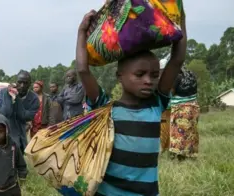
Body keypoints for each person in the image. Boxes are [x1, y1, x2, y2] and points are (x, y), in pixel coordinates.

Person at [76, 7, 186, 196]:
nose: (148, 80)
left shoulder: (156, 103)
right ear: (120, 76)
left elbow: (176, 60)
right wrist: (81, 32)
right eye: (139, 74)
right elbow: (83, 70)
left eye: (154, 75)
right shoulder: (105, 108)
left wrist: (180, 19)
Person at [0, 70, 39, 153]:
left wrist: (16, 97)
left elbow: (25, 116)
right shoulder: (4, 92)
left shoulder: (34, 99)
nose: (22, 85)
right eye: (20, 82)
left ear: (30, 84)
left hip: (20, 137)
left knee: (17, 163)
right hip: (3, 134)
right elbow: (5, 113)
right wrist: (8, 94)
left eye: (25, 83)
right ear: (16, 82)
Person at [169, 67, 199, 160]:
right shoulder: (190, 76)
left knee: (178, 134)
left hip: (180, 109)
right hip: (193, 108)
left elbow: (171, 92)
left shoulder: (176, 77)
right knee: (191, 132)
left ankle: (180, 156)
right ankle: (191, 154)